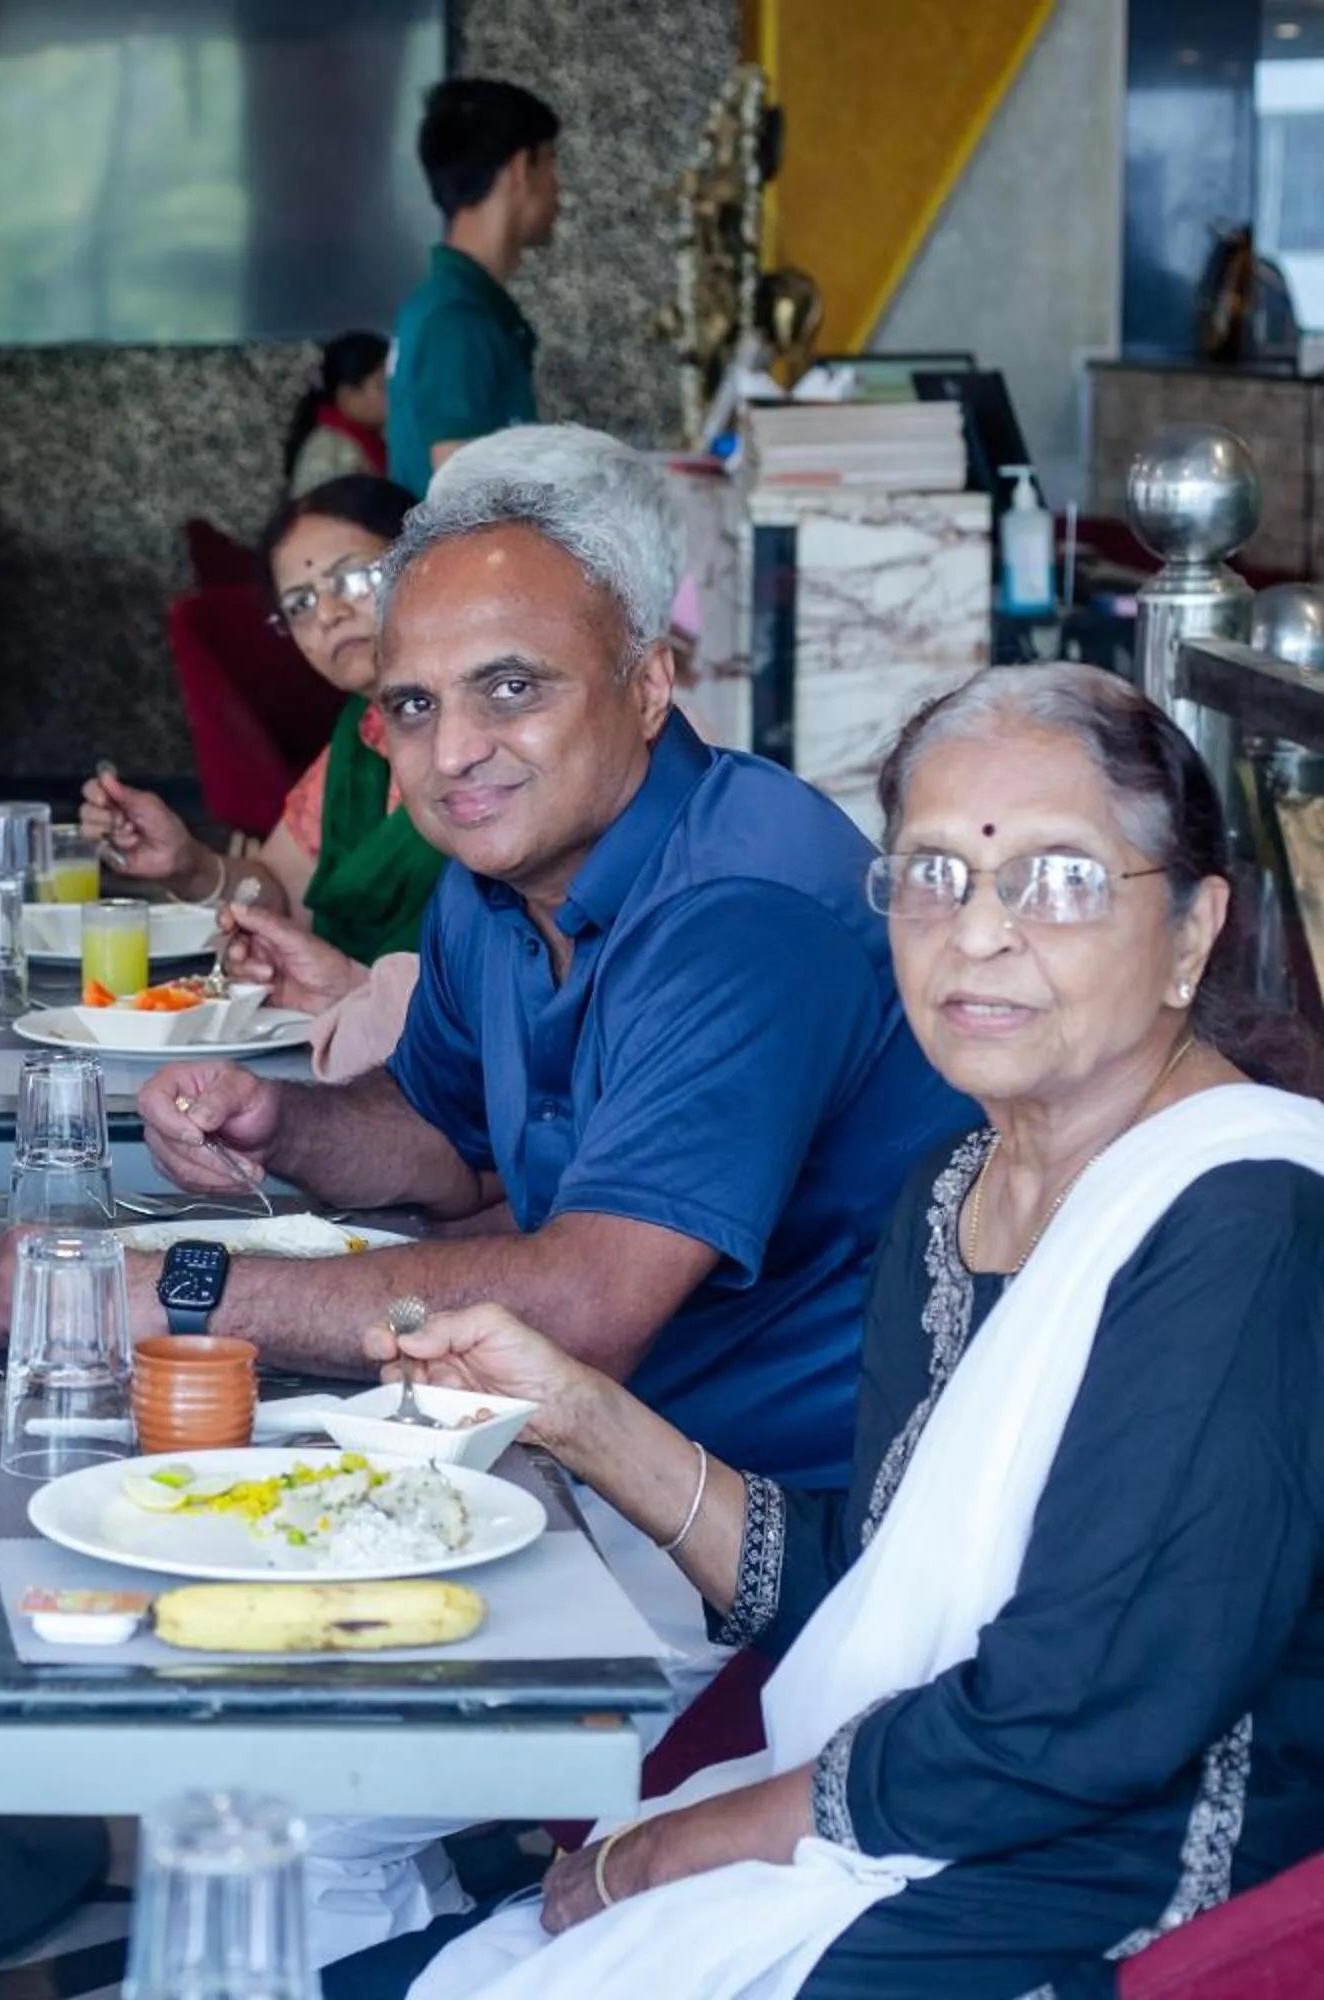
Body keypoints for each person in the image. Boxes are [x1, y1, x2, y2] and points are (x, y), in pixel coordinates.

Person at [353, 667, 1324, 2000]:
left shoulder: (1248, 1220)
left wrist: (670, 1851)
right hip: (923, 1813)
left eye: (1059, 881)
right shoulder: (957, 1189)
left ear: (1191, 931)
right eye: (932, 876)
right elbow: (870, 1596)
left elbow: (1078, 1719)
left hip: (1102, 1883)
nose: (978, 936)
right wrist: (578, 1412)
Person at [89, 426, 975, 1495]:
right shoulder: (494, 878)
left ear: (648, 685)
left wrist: (185, 1290)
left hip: (770, 1516)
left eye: (511, 688)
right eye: (415, 704)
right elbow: (450, 1145)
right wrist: (288, 1124)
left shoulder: (743, 915)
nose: (454, 750)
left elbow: (586, 1308)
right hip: (567, 1452)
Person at [82, 474, 440, 1080]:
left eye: (354, 578)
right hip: (351, 1052)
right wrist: (187, 862)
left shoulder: (485, 734)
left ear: (429, 566)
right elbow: (278, 891)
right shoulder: (362, 737)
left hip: (463, 1065)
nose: (328, 614)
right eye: (299, 604)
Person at [386, 79, 558, 498]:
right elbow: (465, 498)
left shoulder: (452, 305)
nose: (558, 188)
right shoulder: (455, 320)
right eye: (551, 163)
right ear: (522, 168)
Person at [284, 332, 392, 492]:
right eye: (382, 386)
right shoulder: (333, 452)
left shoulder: (361, 442)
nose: (394, 395)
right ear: (347, 394)